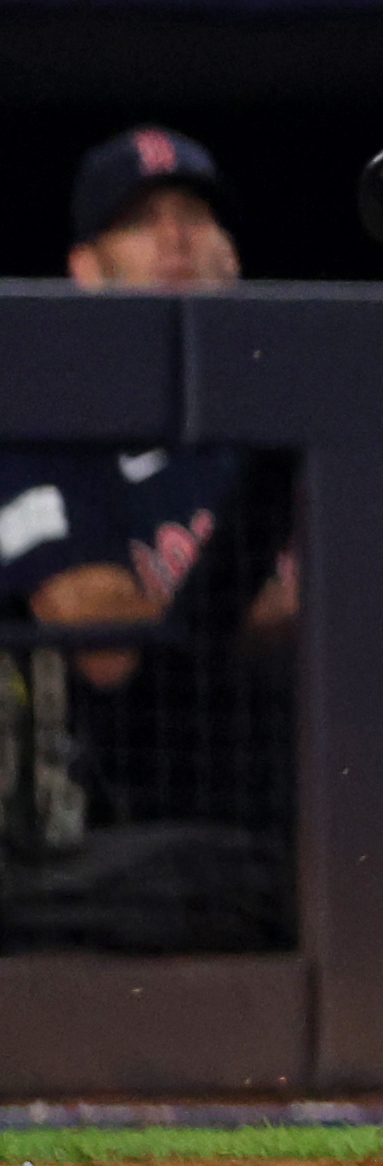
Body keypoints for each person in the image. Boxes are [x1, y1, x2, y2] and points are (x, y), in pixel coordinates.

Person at [0, 130, 298, 929]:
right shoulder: (46, 435)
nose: (174, 236)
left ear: (232, 256)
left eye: (195, 215)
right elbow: (105, 646)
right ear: (85, 272)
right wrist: (282, 620)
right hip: (141, 819)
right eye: (139, 221)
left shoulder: (294, 427)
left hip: (327, 787)